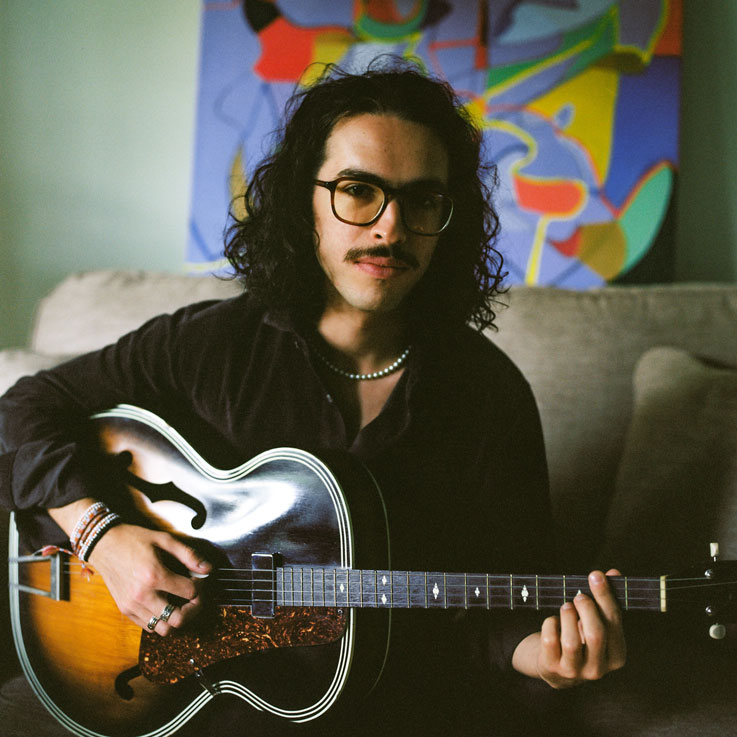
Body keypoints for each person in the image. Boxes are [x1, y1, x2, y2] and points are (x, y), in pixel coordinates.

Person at [0, 61, 625, 735]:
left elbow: (507, 605)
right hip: (204, 701)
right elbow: (23, 408)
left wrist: (548, 658)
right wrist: (101, 535)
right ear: (306, 200)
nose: (390, 229)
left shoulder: (488, 395)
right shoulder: (213, 344)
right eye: (358, 191)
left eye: (420, 200)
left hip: (396, 706)